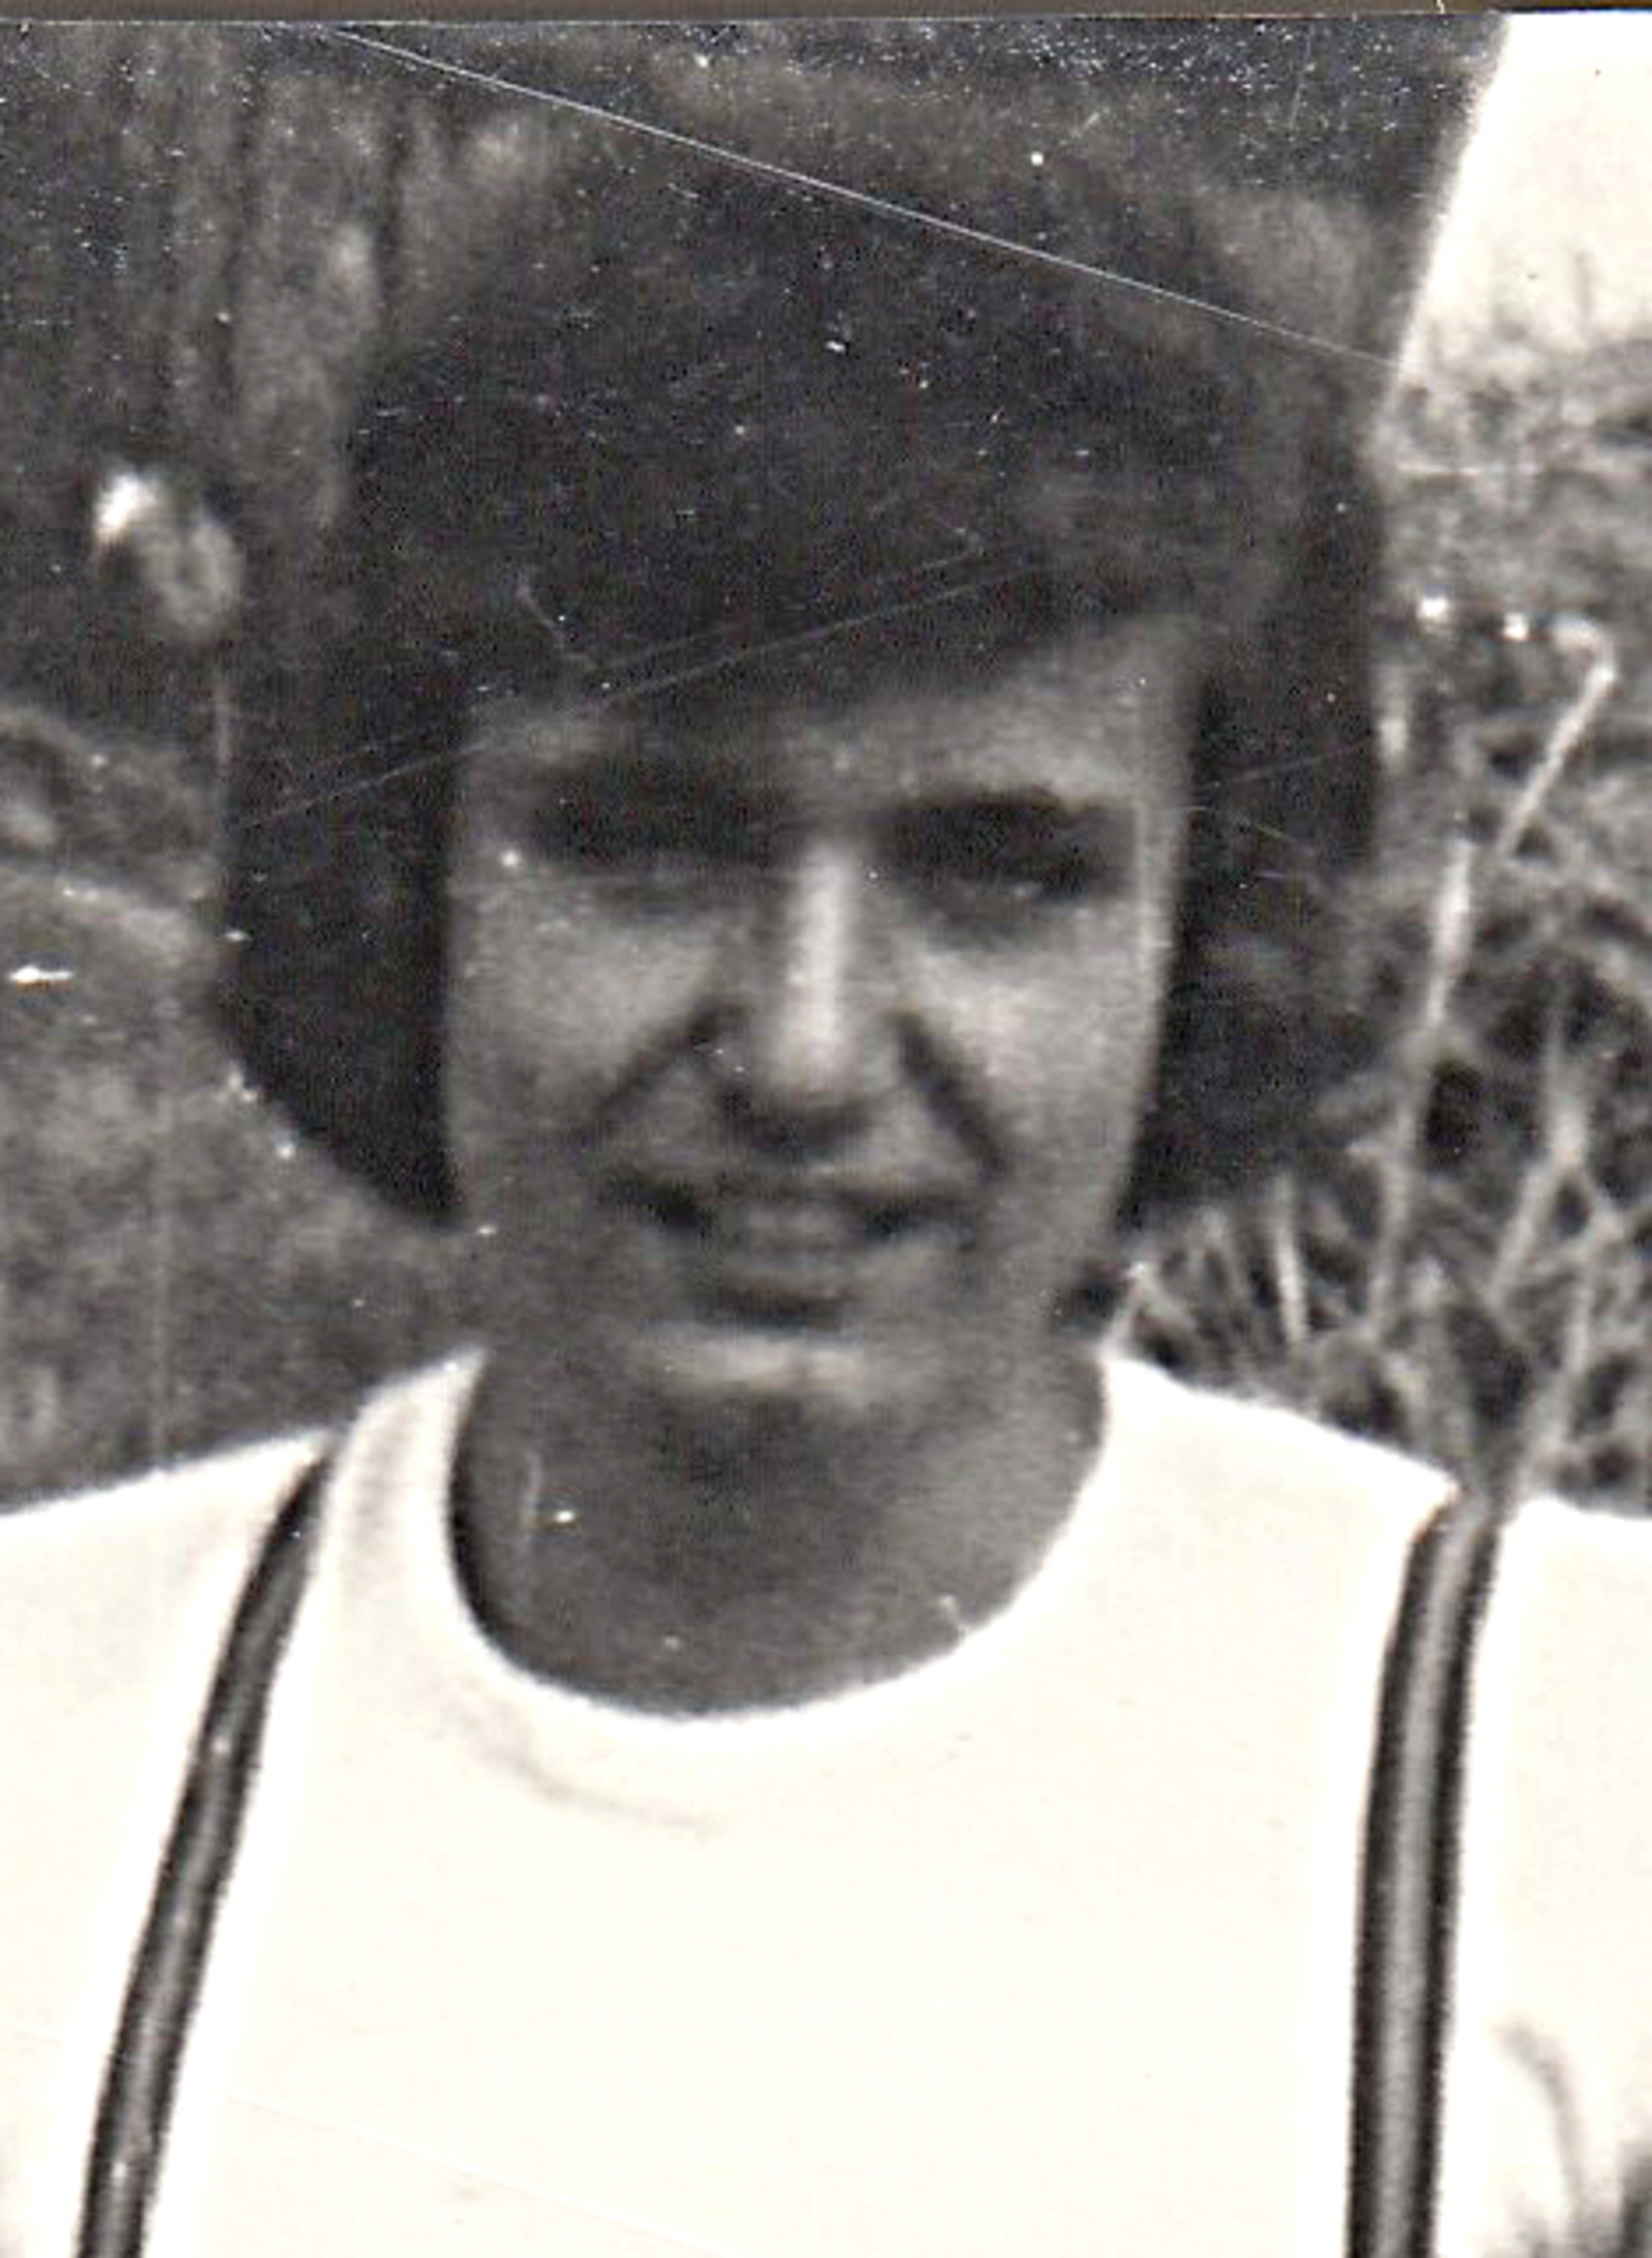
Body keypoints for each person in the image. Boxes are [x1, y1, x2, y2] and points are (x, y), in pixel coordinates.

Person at [4, 22, 1642, 2258]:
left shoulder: (1565, 1793)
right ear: (400, 874)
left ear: (1206, 931)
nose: (798, 1049)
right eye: (647, 846)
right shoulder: (50, 1759)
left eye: (995, 875)